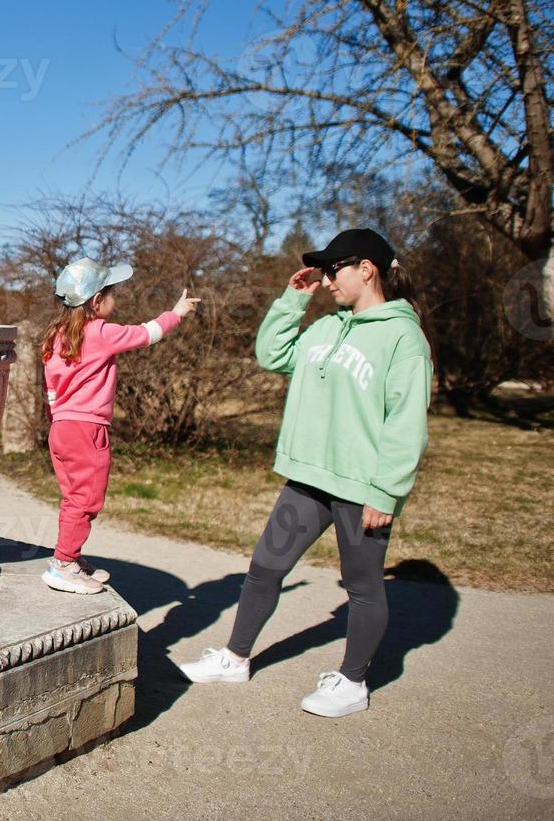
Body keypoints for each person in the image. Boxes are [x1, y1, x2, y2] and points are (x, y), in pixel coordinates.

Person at [177, 228, 432, 718]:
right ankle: (235, 658)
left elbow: (407, 422)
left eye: (334, 269)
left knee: (362, 587)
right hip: (309, 477)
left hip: (361, 488)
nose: (327, 279)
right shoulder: (325, 327)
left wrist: (387, 491)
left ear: (367, 269)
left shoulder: (404, 337)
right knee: (265, 568)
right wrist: (292, 303)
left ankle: (353, 682)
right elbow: (273, 356)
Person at [41, 258, 200, 594]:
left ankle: (70, 557)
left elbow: (52, 386)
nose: (117, 300)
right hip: (87, 430)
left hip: (63, 428)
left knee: (74, 497)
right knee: (86, 499)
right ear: (97, 301)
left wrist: (60, 418)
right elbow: (146, 333)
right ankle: (63, 564)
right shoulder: (99, 332)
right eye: (112, 293)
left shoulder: (56, 336)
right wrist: (176, 312)